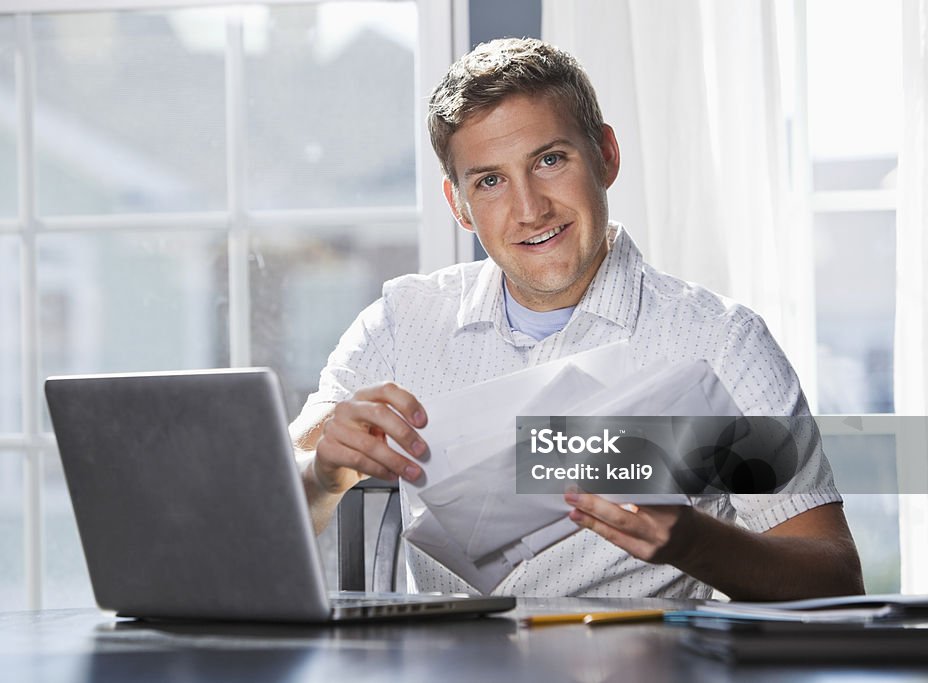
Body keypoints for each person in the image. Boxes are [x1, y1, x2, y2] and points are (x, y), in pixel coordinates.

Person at [290, 38, 863, 600]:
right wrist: (322, 474)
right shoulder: (400, 322)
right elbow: (274, 500)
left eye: (550, 160)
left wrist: (693, 544)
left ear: (606, 156)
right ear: (458, 205)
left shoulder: (722, 342)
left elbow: (834, 578)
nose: (529, 209)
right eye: (490, 181)